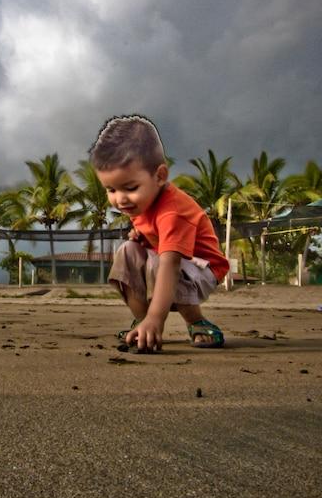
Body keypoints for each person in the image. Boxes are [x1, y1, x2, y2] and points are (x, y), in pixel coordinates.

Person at [89, 115, 229, 352]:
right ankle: (142, 322)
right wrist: (141, 237)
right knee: (127, 251)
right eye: (111, 189)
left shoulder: (173, 211)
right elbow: (151, 234)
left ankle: (195, 322)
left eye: (130, 188)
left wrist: (158, 317)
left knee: (159, 261)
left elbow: (170, 262)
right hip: (169, 262)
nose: (120, 199)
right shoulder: (141, 203)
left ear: (160, 176)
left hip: (203, 268)